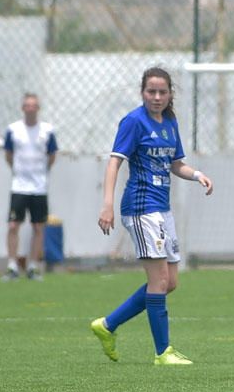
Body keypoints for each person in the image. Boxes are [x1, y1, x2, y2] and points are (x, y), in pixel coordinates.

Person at [90, 67, 214, 365]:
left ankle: (108, 325)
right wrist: (107, 205)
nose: (157, 97)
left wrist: (197, 174)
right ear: (142, 92)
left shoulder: (170, 122)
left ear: (171, 93)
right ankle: (163, 352)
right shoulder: (133, 121)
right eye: (151, 92)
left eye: (162, 92)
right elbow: (113, 164)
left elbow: (176, 164)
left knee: (169, 282)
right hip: (141, 208)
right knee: (157, 280)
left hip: (162, 209)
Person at [2, 93, 58, 281]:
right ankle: (12, 266)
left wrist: (41, 174)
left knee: (38, 227)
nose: (30, 109)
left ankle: (33, 266)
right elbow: (8, 154)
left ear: (38, 108)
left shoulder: (47, 131)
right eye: (27, 105)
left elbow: (52, 155)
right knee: (13, 225)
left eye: (34, 105)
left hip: (39, 187)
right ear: (22, 108)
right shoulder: (13, 130)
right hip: (19, 186)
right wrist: (19, 172)